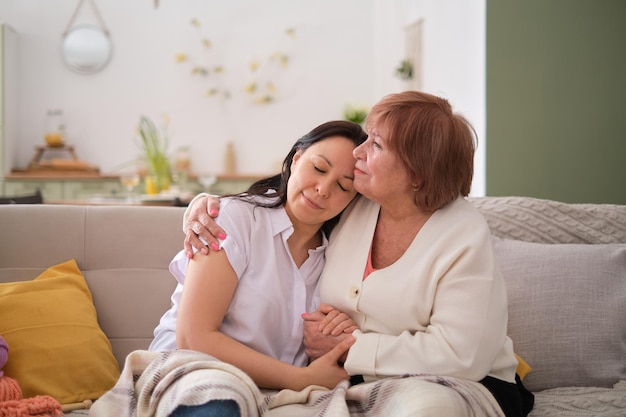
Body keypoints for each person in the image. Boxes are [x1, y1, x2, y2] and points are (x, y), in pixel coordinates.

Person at [183, 90, 534, 417]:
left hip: (454, 381)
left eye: (376, 144)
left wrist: (352, 347)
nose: (358, 153)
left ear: (417, 173)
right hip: (356, 379)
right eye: (366, 138)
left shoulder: (462, 233)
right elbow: (290, 197)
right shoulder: (355, 202)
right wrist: (201, 206)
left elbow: (462, 354)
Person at [148, 120, 367, 417]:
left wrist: (340, 335)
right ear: (296, 158)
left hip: (272, 391)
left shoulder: (339, 254)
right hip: (195, 372)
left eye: (343, 186)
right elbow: (193, 337)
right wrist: (302, 379)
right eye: (318, 168)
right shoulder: (235, 219)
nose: (323, 189)